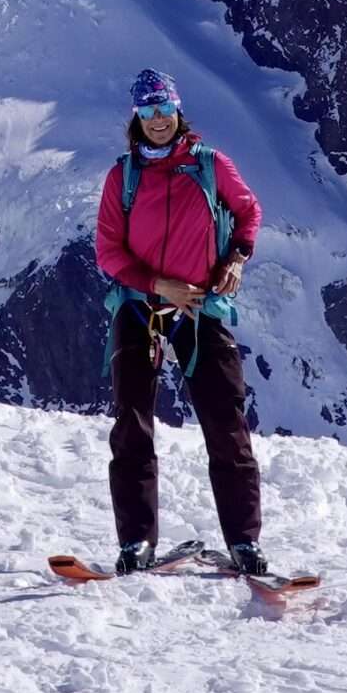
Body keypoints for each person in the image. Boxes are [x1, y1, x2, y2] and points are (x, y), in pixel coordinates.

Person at [93, 67, 267, 576]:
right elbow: (109, 250)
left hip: (199, 307)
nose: (157, 120)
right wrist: (157, 285)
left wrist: (237, 257)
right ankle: (136, 543)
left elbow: (248, 213)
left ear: (177, 110)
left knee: (225, 424)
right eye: (147, 111)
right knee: (132, 423)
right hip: (139, 306)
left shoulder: (211, 166)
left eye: (163, 109)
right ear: (135, 117)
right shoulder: (122, 176)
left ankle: (244, 542)